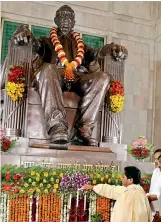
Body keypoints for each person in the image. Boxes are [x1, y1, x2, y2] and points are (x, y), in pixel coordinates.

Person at [11, 4, 128, 146]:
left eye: (70, 16)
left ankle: (83, 129)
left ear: (74, 23)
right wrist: (24, 32)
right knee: (47, 68)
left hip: (78, 77)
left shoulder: (81, 46)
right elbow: (34, 44)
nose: (66, 19)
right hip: (55, 74)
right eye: (62, 15)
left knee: (103, 78)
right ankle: (57, 125)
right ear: (56, 19)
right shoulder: (46, 41)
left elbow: (96, 53)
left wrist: (111, 48)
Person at [84, 166, 152, 222]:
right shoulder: (142, 193)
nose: (122, 179)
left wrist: (93, 187)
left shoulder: (126, 191)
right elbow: (149, 214)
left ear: (130, 180)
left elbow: (109, 190)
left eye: (123, 177)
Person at [147, 154, 161, 220]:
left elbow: (158, 195)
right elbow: (152, 188)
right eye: (159, 161)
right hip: (153, 205)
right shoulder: (156, 171)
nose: (159, 164)